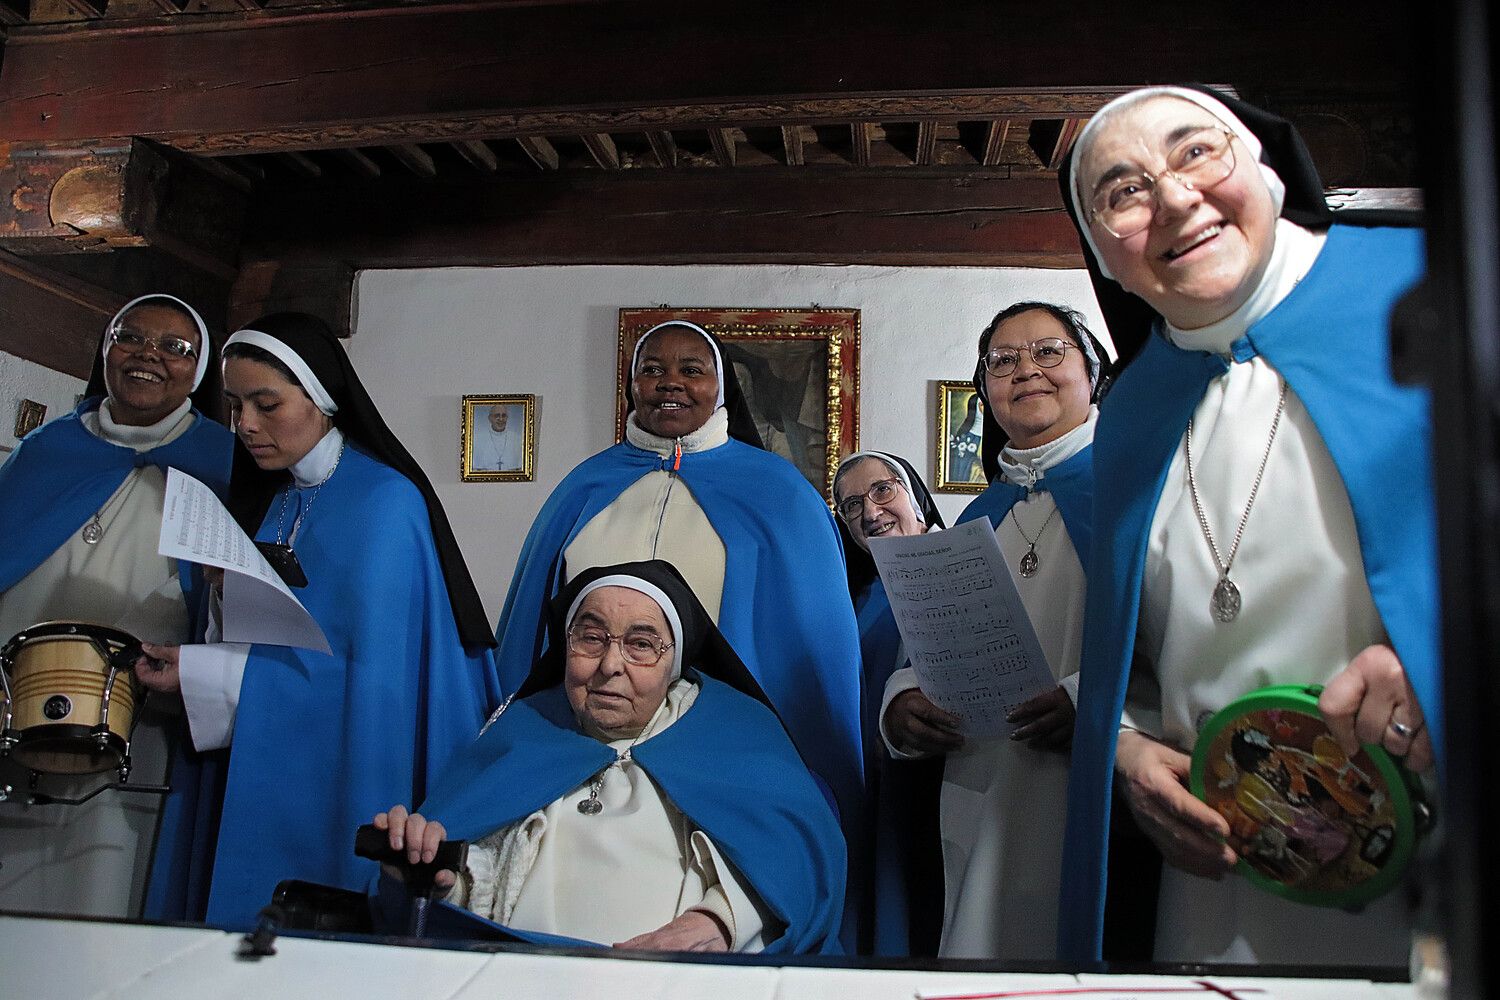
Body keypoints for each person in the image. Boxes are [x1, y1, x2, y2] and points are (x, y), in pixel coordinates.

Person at [1055, 86, 1438, 966]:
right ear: (1106, 260)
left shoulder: (1431, 290)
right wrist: (1127, 753)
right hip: (1220, 885)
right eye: (1124, 191)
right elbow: (1135, 656)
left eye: (1197, 153)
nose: (1176, 199)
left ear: (1263, 165)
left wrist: (1450, 660)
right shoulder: (1136, 409)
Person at [134, 312, 501, 929]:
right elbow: (277, 641)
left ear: (323, 400)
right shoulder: (274, 499)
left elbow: (368, 685)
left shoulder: (385, 504)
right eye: (235, 405)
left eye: (267, 404)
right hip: (258, 759)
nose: (246, 425)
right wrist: (204, 641)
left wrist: (213, 679)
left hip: (351, 771)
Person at [491, 321, 864, 905]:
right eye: (652, 369)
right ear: (631, 385)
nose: (671, 383)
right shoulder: (584, 486)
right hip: (584, 731)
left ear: (721, 386)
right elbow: (531, 629)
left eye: (692, 369)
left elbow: (814, 651)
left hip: (720, 742)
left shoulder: (778, 491)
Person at [374, 561, 845, 955]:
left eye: (641, 645)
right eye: (591, 638)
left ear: (675, 663)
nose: (610, 665)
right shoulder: (523, 733)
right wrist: (425, 878)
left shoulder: (737, 733)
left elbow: (801, 868)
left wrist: (723, 921)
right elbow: (467, 882)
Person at [877, 302, 1109, 960]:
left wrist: (1091, 699)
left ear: (1092, 372)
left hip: (1092, 790)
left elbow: (1178, 647)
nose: (1025, 370)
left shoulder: (1133, 497)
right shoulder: (986, 510)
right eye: (1002, 361)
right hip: (982, 792)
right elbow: (934, 641)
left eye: (1048, 352)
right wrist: (904, 703)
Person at [0, 294, 234, 919]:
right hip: (18, 703)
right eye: (131, 337)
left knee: (110, 878)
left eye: (176, 348)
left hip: (147, 714)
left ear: (199, 370)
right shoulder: (45, 451)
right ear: (105, 348)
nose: (149, 355)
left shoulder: (226, 466)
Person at [832, 451, 946, 956]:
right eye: (850, 505)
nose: (869, 511)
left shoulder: (960, 563)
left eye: (882, 490)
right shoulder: (853, 599)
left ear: (917, 499)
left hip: (948, 781)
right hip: (875, 788)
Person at [472, 403, 524, 472]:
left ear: (507, 418)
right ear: (490, 418)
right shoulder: (478, 440)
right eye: (497, 416)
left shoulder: (517, 439)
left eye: (504, 416)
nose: (501, 419)